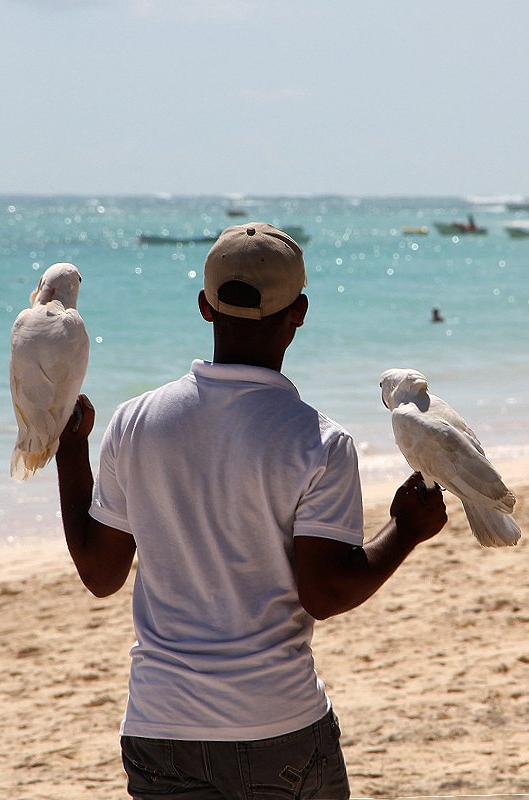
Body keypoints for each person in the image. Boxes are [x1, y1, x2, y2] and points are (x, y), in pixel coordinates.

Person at [56, 222, 447, 800]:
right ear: (300, 312)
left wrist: (70, 451)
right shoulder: (318, 441)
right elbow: (325, 592)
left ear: (204, 306)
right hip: (278, 724)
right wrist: (405, 532)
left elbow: (101, 575)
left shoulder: (134, 421)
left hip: (161, 726)